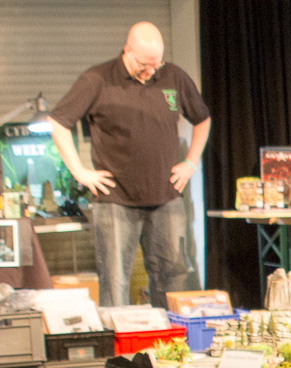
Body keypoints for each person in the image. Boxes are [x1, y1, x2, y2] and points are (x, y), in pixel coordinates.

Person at [48, 21, 211, 308]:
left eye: (156, 64)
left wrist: (190, 162)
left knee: (173, 278)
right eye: (144, 65)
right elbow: (58, 123)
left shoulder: (173, 77)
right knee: (115, 281)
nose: (151, 71)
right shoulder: (97, 80)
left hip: (166, 197)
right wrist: (79, 172)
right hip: (116, 200)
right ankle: (118, 338)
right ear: (127, 50)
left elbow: (202, 119)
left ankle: (171, 334)